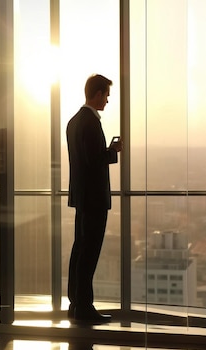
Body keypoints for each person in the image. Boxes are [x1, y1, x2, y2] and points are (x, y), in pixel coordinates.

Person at [66, 74, 123, 324]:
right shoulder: (91, 123)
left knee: (79, 249)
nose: (108, 101)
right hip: (94, 199)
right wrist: (113, 152)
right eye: (107, 95)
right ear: (98, 94)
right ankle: (84, 308)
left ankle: (75, 302)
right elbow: (93, 161)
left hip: (81, 198)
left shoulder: (73, 122)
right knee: (89, 252)